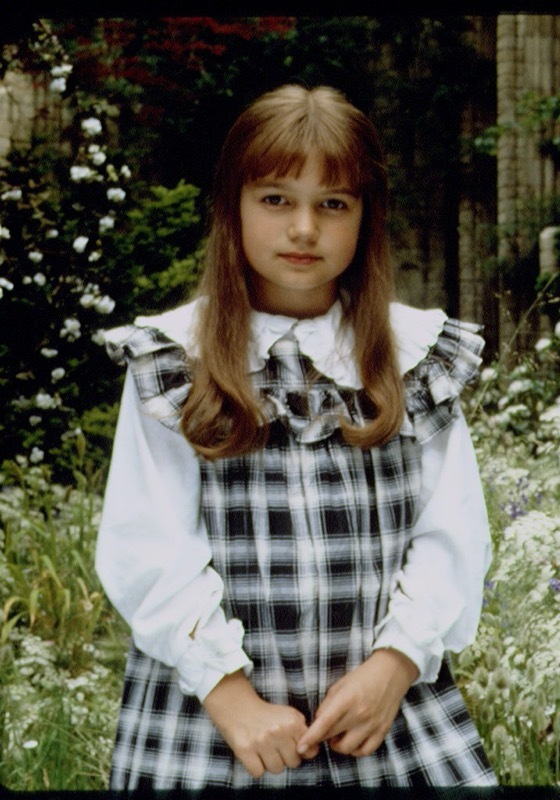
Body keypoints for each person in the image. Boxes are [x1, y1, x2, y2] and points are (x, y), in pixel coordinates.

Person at [95, 85, 496, 789]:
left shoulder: (410, 357)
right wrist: (229, 694)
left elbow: (451, 534)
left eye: (332, 203)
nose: (304, 228)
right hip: (214, 726)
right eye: (276, 199)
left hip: (383, 718)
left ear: (365, 218)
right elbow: (145, 544)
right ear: (233, 208)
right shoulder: (175, 361)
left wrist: (395, 664)